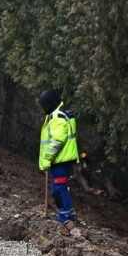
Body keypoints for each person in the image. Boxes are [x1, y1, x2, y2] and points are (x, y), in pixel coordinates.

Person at [38, 88, 80, 224]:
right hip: (62, 160)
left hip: (60, 161)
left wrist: (46, 159)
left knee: (59, 190)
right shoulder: (64, 112)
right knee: (59, 189)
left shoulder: (57, 116)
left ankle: (66, 218)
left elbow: (58, 140)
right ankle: (66, 216)